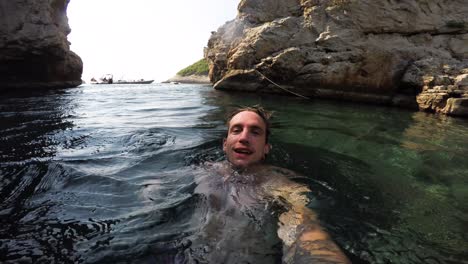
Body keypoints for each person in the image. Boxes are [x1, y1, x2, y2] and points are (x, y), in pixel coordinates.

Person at [219, 105, 351, 263]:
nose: (244, 138)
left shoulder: (278, 184)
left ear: (266, 148)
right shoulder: (201, 172)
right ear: (225, 144)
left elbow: (305, 226)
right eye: (236, 130)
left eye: (255, 132)